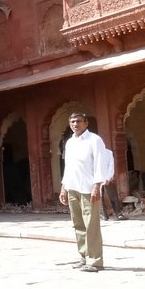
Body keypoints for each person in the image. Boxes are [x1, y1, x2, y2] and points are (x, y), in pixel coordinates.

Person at [59, 111, 110, 272]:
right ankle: (83, 256)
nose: (75, 124)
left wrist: (97, 185)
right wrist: (64, 187)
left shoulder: (94, 140)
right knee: (78, 224)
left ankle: (95, 260)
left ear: (86, 123)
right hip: (72, 186)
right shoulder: (69, 142)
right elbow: (68, 167)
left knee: (91, 225)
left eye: (79, 121)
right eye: (72, 122)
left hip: (89, 188)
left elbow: (100, 164)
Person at [100, 148, 126, 221]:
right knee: (100, 197)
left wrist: (108, 177)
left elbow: (111, 165)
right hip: (98, 178)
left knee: (113, 196)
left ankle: (118, 214)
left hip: (106, 177)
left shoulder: (108, 152)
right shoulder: (92, 152)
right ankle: (103, 215)